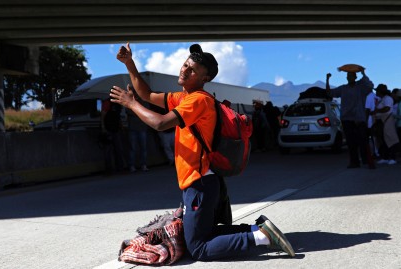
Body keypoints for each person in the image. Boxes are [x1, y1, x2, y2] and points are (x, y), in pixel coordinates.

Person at [110, 42, 295, 261]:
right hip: (202, 181)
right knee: (200, 235)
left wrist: (131, 104)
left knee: (198, 248)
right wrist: (130, 64)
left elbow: (160, 123)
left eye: (192, 70)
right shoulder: (184, 98)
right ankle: (258, 231)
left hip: (200, 182)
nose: (184, 70)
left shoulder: (198, 100)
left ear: (204, 78)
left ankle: (261, 237)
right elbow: (148, 94)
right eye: (185, 65)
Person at [326, 67, 374, 168]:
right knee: (351, 143)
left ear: (355, 77)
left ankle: (366, 160)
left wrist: (363, 74)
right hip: (347, 119)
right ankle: (354, 162)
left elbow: (370, 86)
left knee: (363, 141)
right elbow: (329, 93)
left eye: (351, 76)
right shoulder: (343, 88)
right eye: (348, 76)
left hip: (359, 119)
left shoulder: (360, 87)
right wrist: (327, 80)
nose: (349, 78)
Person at [372, 84, 399, 165]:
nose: (376, 92)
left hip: (386, 120)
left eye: (377, 90)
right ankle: (385, 157)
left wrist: (377, 111)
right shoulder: (383, 99)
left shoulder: (387, 98)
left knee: (390, 139)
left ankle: (392, 157)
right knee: (383, 140)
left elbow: (387, 108)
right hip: (382, 120)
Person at [100, 98, 126, 174]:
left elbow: (118, 117)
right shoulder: (108, 103)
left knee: (116, 149)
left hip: (114, 128)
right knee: (111, 150)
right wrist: (103, 128)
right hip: (110, 129)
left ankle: (117, 168)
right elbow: (103, 115)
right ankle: (111, 168)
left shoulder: (116, 103)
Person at [126, 96, 150, 172]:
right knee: (133, 148)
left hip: (142, 127)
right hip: (133, 128)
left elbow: (147, 111)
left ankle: (143, 165)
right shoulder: (129, 102)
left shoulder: (144, 101)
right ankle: (132, 166)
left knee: (143, 148)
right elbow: (129, 111)